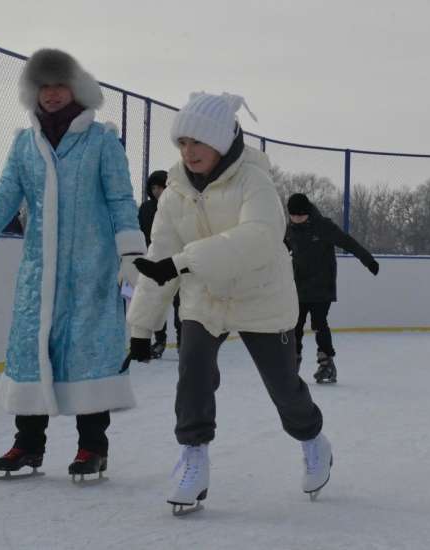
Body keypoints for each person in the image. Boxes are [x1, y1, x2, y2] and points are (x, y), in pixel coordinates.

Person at [0, 49, 145, 481]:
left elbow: (120, 200)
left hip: (90, 270)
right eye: (43, 87)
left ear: (75, 88)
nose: (51, 95)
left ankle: (93, 446)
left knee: (88, 356)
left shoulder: (102, 141)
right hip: (39, 273)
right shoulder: (23, 144)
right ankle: (28, 444)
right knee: (31, 354)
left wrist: (131, 254)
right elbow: (2, 202)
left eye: (59, 86)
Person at [123, 92, 332, 513]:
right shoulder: (174, 193)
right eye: (182, 143)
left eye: (198, 142)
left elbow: (258, 239)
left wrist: (182, 262)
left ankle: (313, 440)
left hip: (262, 297)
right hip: (206, 299)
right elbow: (158, 257)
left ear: (221, 140)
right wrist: (141, 326)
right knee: (193, 374)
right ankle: (194, 457)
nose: (189, 152)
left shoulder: (254, 182)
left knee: (284, 389)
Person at [284, 193, 379, 383]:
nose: (297, 220)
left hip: (322, 286)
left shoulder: (323, 226)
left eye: (301, 216)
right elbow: (278, 251)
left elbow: (348, 242)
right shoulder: (289, 230)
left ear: (308, 213)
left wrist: (368, 260)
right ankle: (292, 361)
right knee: (295, 325)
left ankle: (326, 363)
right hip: (299, 286)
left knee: (319, 323)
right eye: (293, 216)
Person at [138, 169, 181, 358]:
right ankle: (160, 341)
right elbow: (141, 233)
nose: (157, 191)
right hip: (154, 262)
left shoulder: (177, 206)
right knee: (156, 304)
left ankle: (183, 341)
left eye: (161, 187)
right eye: (154, 187)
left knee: (180, 304)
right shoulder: (146, 209)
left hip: (175, 262)